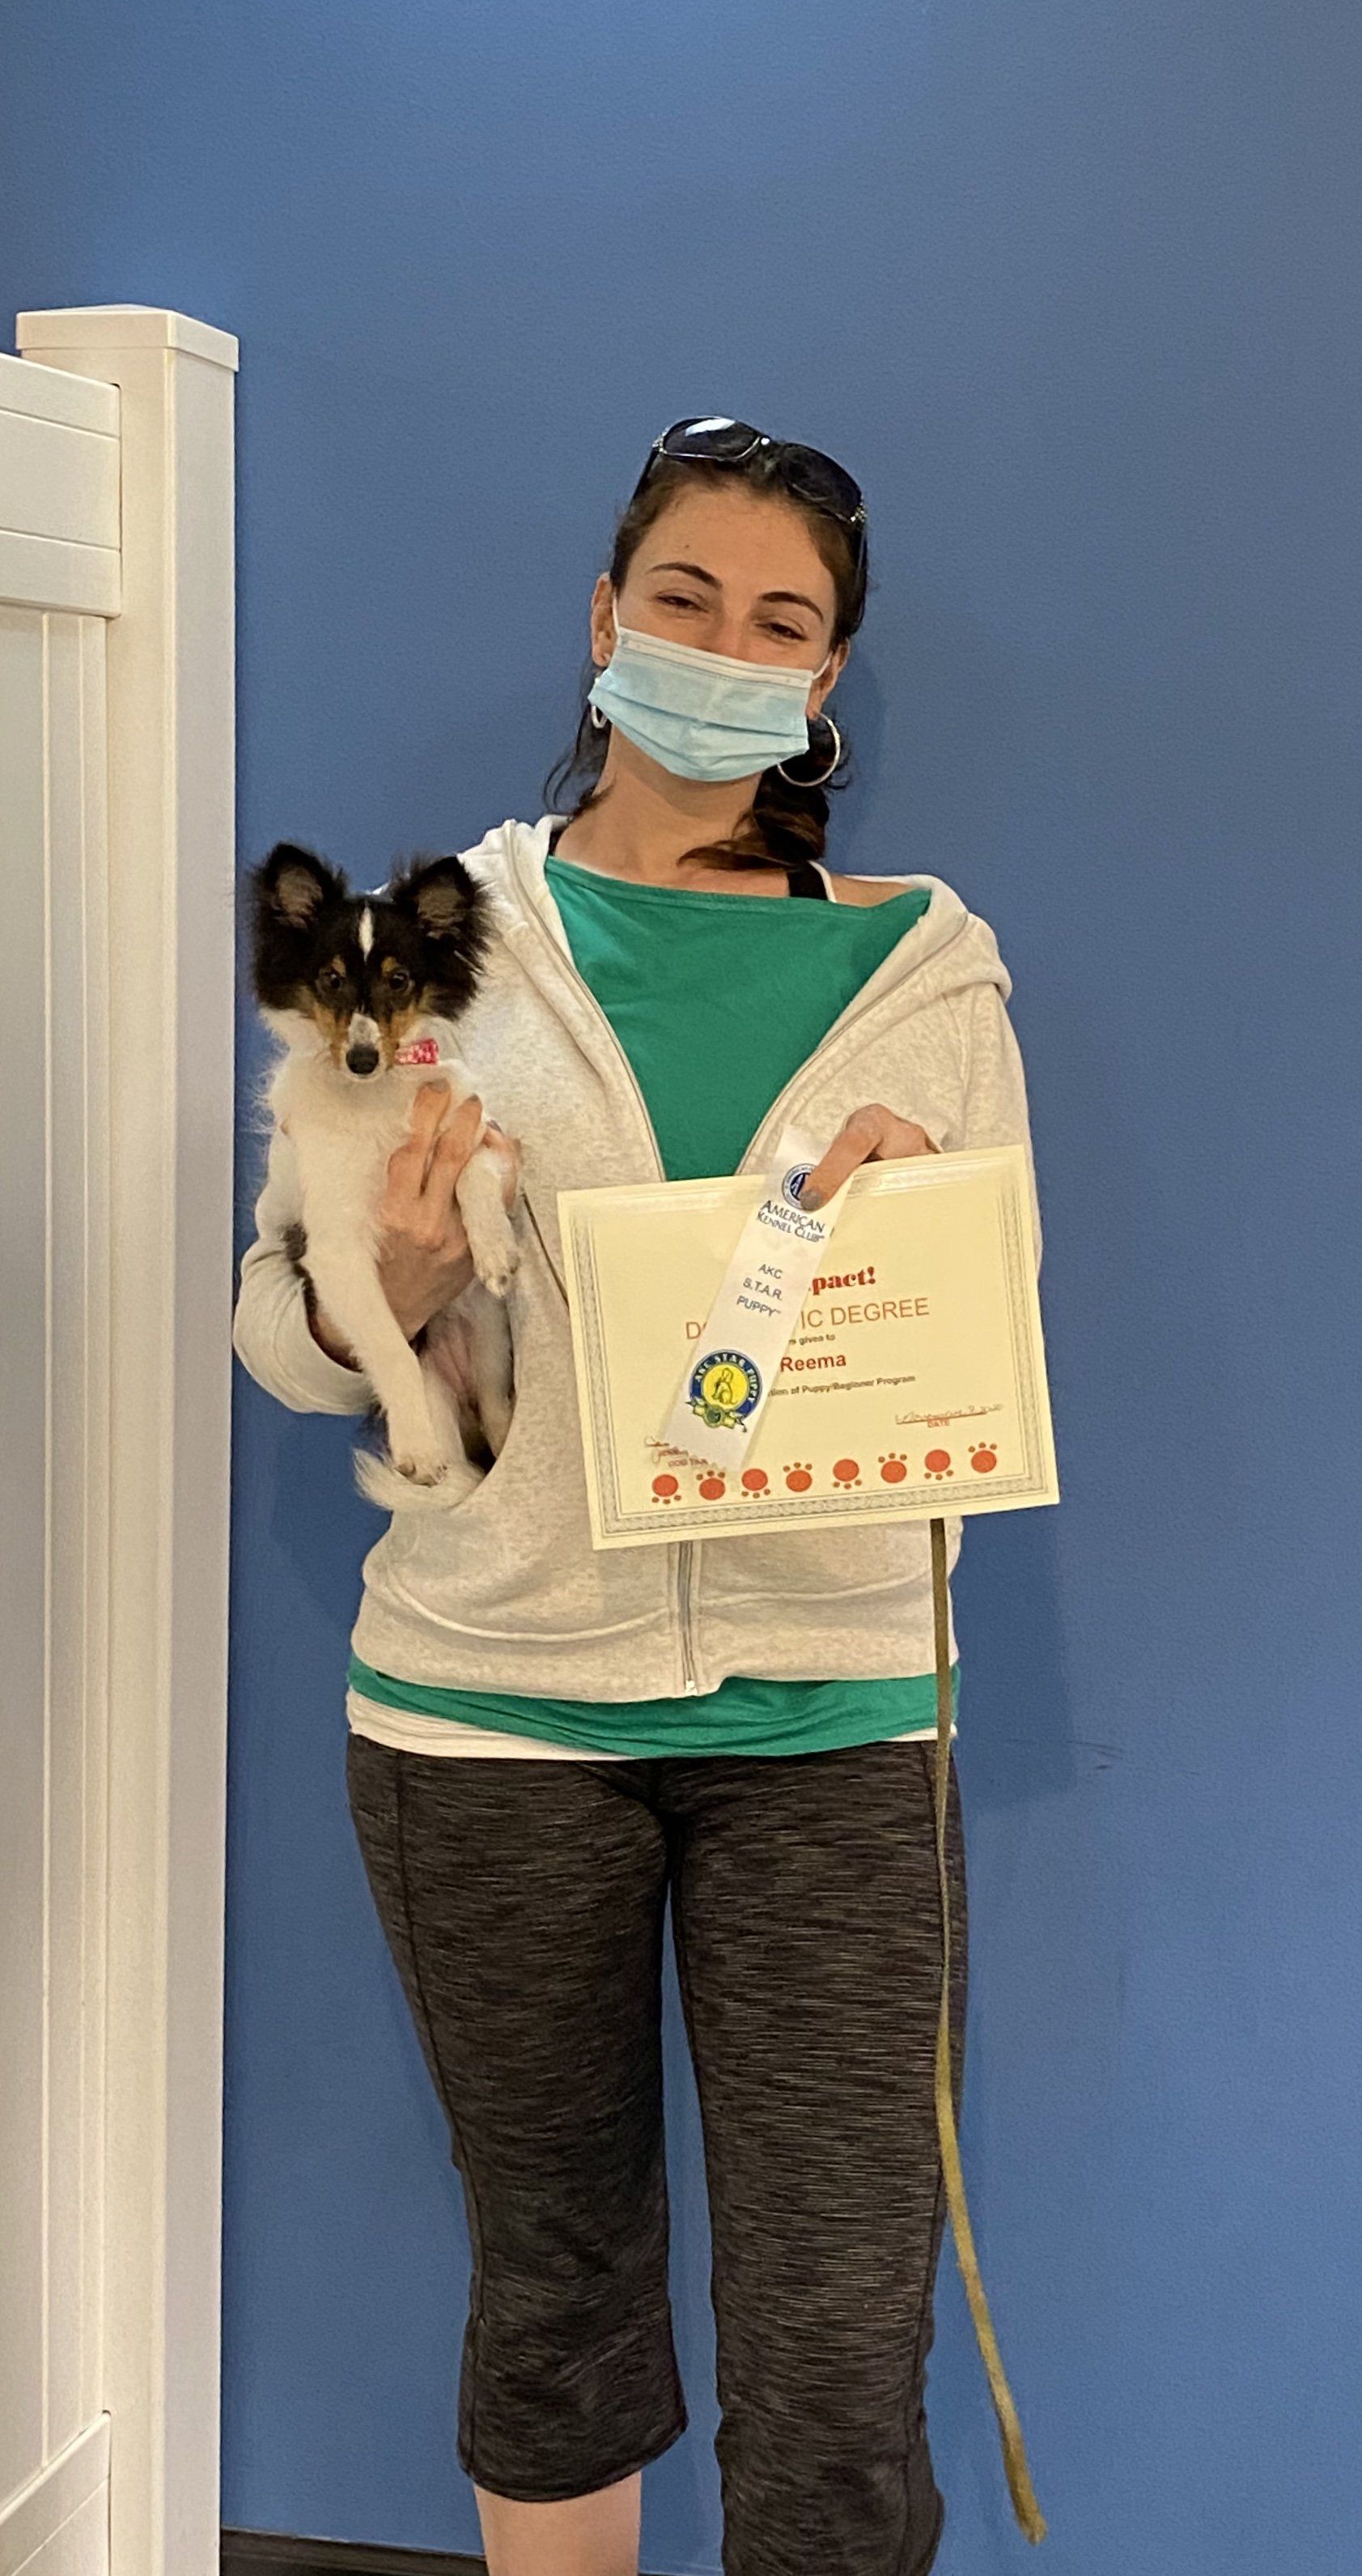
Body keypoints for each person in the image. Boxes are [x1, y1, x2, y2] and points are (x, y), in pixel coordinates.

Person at [234, 415, 1043, 2576]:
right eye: (685, 599)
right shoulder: (434, 950)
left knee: (839, 2348)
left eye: (780, 623)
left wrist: (912, 1236)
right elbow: (282, 1329)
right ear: (605, 617)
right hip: (491, 1718)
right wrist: (388, 1297)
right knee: (557, 2290)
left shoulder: (929, 968)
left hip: (838, 1726)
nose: (724, 648)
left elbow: (993, 1338)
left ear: (826, 681)